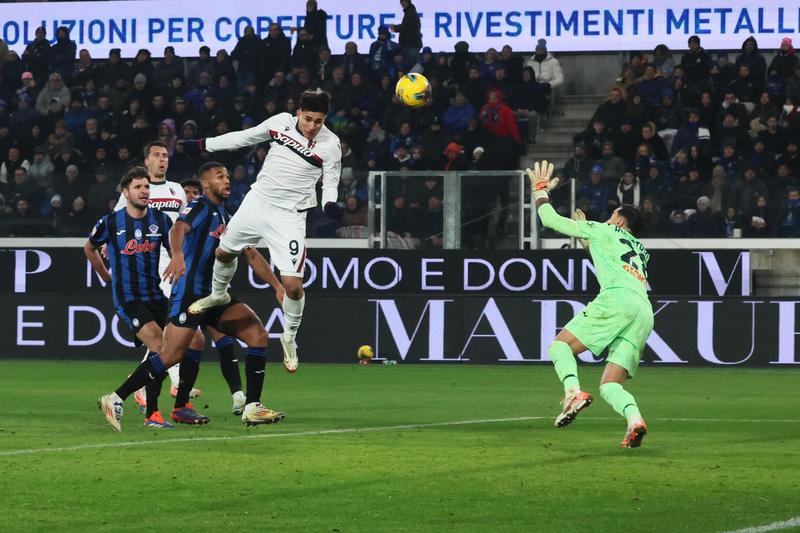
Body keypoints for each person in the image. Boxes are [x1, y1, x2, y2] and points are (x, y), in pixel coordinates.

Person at [97, 162, 285, 431]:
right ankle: (115, 398)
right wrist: (177, 256)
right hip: (190, 295)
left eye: (228, 175)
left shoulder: (225, 215)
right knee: (169, 355)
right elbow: (177, 229)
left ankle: (251, 406)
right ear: (206, 184)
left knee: (257, 334)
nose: (227, 179)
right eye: (220, 176)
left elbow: (251, 253)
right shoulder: (199, 207)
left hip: (216, 295)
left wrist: (277, 286)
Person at [179, 90, 341, 374]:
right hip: (258, 202)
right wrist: (204, 144)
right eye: (308, 119)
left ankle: (289, 336)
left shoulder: (330, 144)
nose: (313, 126)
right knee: (224, 252)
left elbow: (331, 181)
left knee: (292, 286)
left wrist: (329, 204)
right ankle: (218, 295)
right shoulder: (280, 123)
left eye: (319, 121)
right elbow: (243, 137)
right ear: (298, 112)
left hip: (290, 216)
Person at [528, 160, 653, 448]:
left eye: (612, 215)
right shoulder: (642, 250)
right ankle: (635, 421)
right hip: (643, 309)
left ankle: (572, 392)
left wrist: (541, 190)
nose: (609, 219)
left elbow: (550, 220)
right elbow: (615, 262)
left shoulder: (604, 230)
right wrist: (589, 243)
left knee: (560, 346)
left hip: (617, 299)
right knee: (611, 384)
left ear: (621, 220)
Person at [85, 167, 177, 428]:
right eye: (138, 187)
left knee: (163, 354)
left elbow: (175, 250)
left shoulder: (160, 220)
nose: (144, 191)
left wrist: (178, 262)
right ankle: (115, 398)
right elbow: (89, 247)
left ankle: (153, 414)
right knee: (161, 349)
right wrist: (105, 276)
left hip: (157, 297)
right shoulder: (111, 223)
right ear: (126, 193)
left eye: (146, 186)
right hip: (129, 299)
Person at [390, 0, 422, 69]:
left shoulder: (411, 13)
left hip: (410, 45)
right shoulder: (410, 12)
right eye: (401, 2)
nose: (402, 4)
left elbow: (408, 27)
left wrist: (396, 28)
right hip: (411, 45)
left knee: (410, 68)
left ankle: (411, 79)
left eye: (403, 2)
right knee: (412, 69)